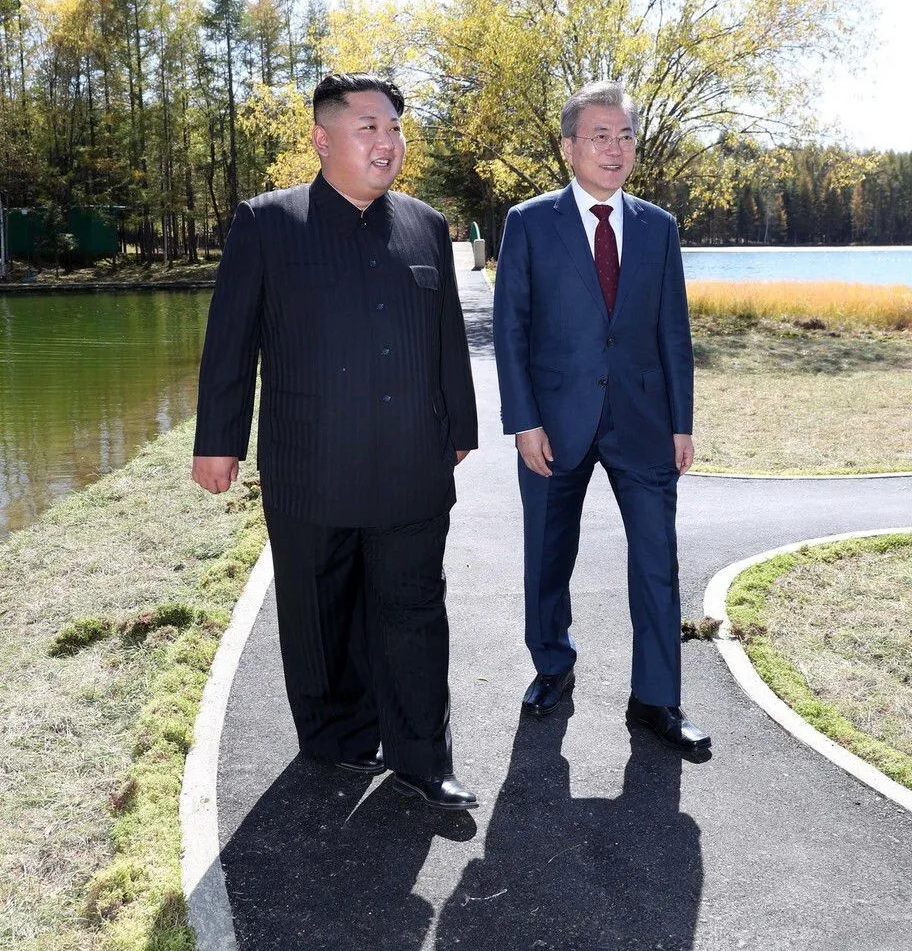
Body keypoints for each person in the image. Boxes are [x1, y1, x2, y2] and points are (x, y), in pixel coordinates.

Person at [192, 72, 479, 809]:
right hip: (310, 466)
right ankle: (336, 737)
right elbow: (232, 343)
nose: (387, 142)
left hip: (412, 467)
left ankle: (422, 754)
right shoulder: (268, 224)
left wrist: (461, 426)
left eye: (394, 128)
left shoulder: (424, 224)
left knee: (414, 609)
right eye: (369, 128)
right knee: (318, 609)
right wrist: (217, 441)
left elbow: (446, 337)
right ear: (324, 139)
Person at [492, 80, 709, 756]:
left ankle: (657, 699)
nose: (616, 149)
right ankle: (553, 663)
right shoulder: (528, 222)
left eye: (625, 136)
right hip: (554, 424)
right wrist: (524, 421)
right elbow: (511, 328)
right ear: (569, 148)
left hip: (644, 423)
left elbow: (673, 330)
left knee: (657, 561)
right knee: (548, 553)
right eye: (600, 136)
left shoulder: (659, 227)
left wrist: (682, 422)